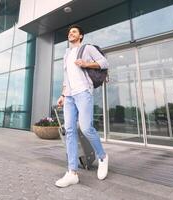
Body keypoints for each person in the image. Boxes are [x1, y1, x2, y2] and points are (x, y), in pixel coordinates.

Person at [55, 24, 109, 188]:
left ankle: (102, 156)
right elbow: (66, 77)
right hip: (70, 96)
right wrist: (63, 95)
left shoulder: (88, 48)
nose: (70, 33)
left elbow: (104, 63)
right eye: (69, 32)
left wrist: (86, 64)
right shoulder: (66, 54)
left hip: (83, 92)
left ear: (81, 36)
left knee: (86, 128)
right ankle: (72, 172)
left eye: (74, 32)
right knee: (70, 131)